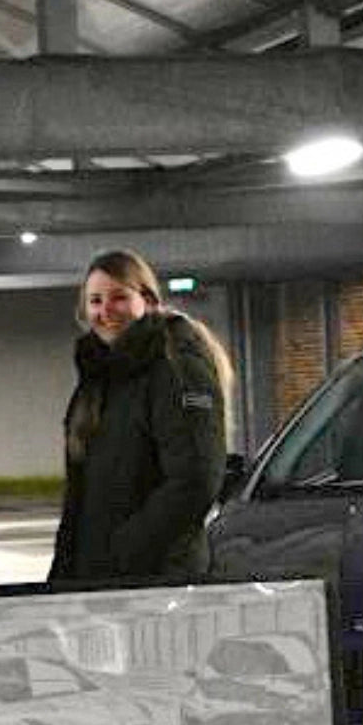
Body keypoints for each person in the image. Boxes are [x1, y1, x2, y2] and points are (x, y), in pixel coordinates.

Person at [49, 248, 231, 587]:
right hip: (102, 577)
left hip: (158, 579)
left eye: (119, 297)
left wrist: (123, 552)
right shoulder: (98, 378)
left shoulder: (177, 367)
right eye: (95, 301)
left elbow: (196, 478)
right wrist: (64, 572)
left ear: (147, 300)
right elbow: (82, 493)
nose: (105, 311)